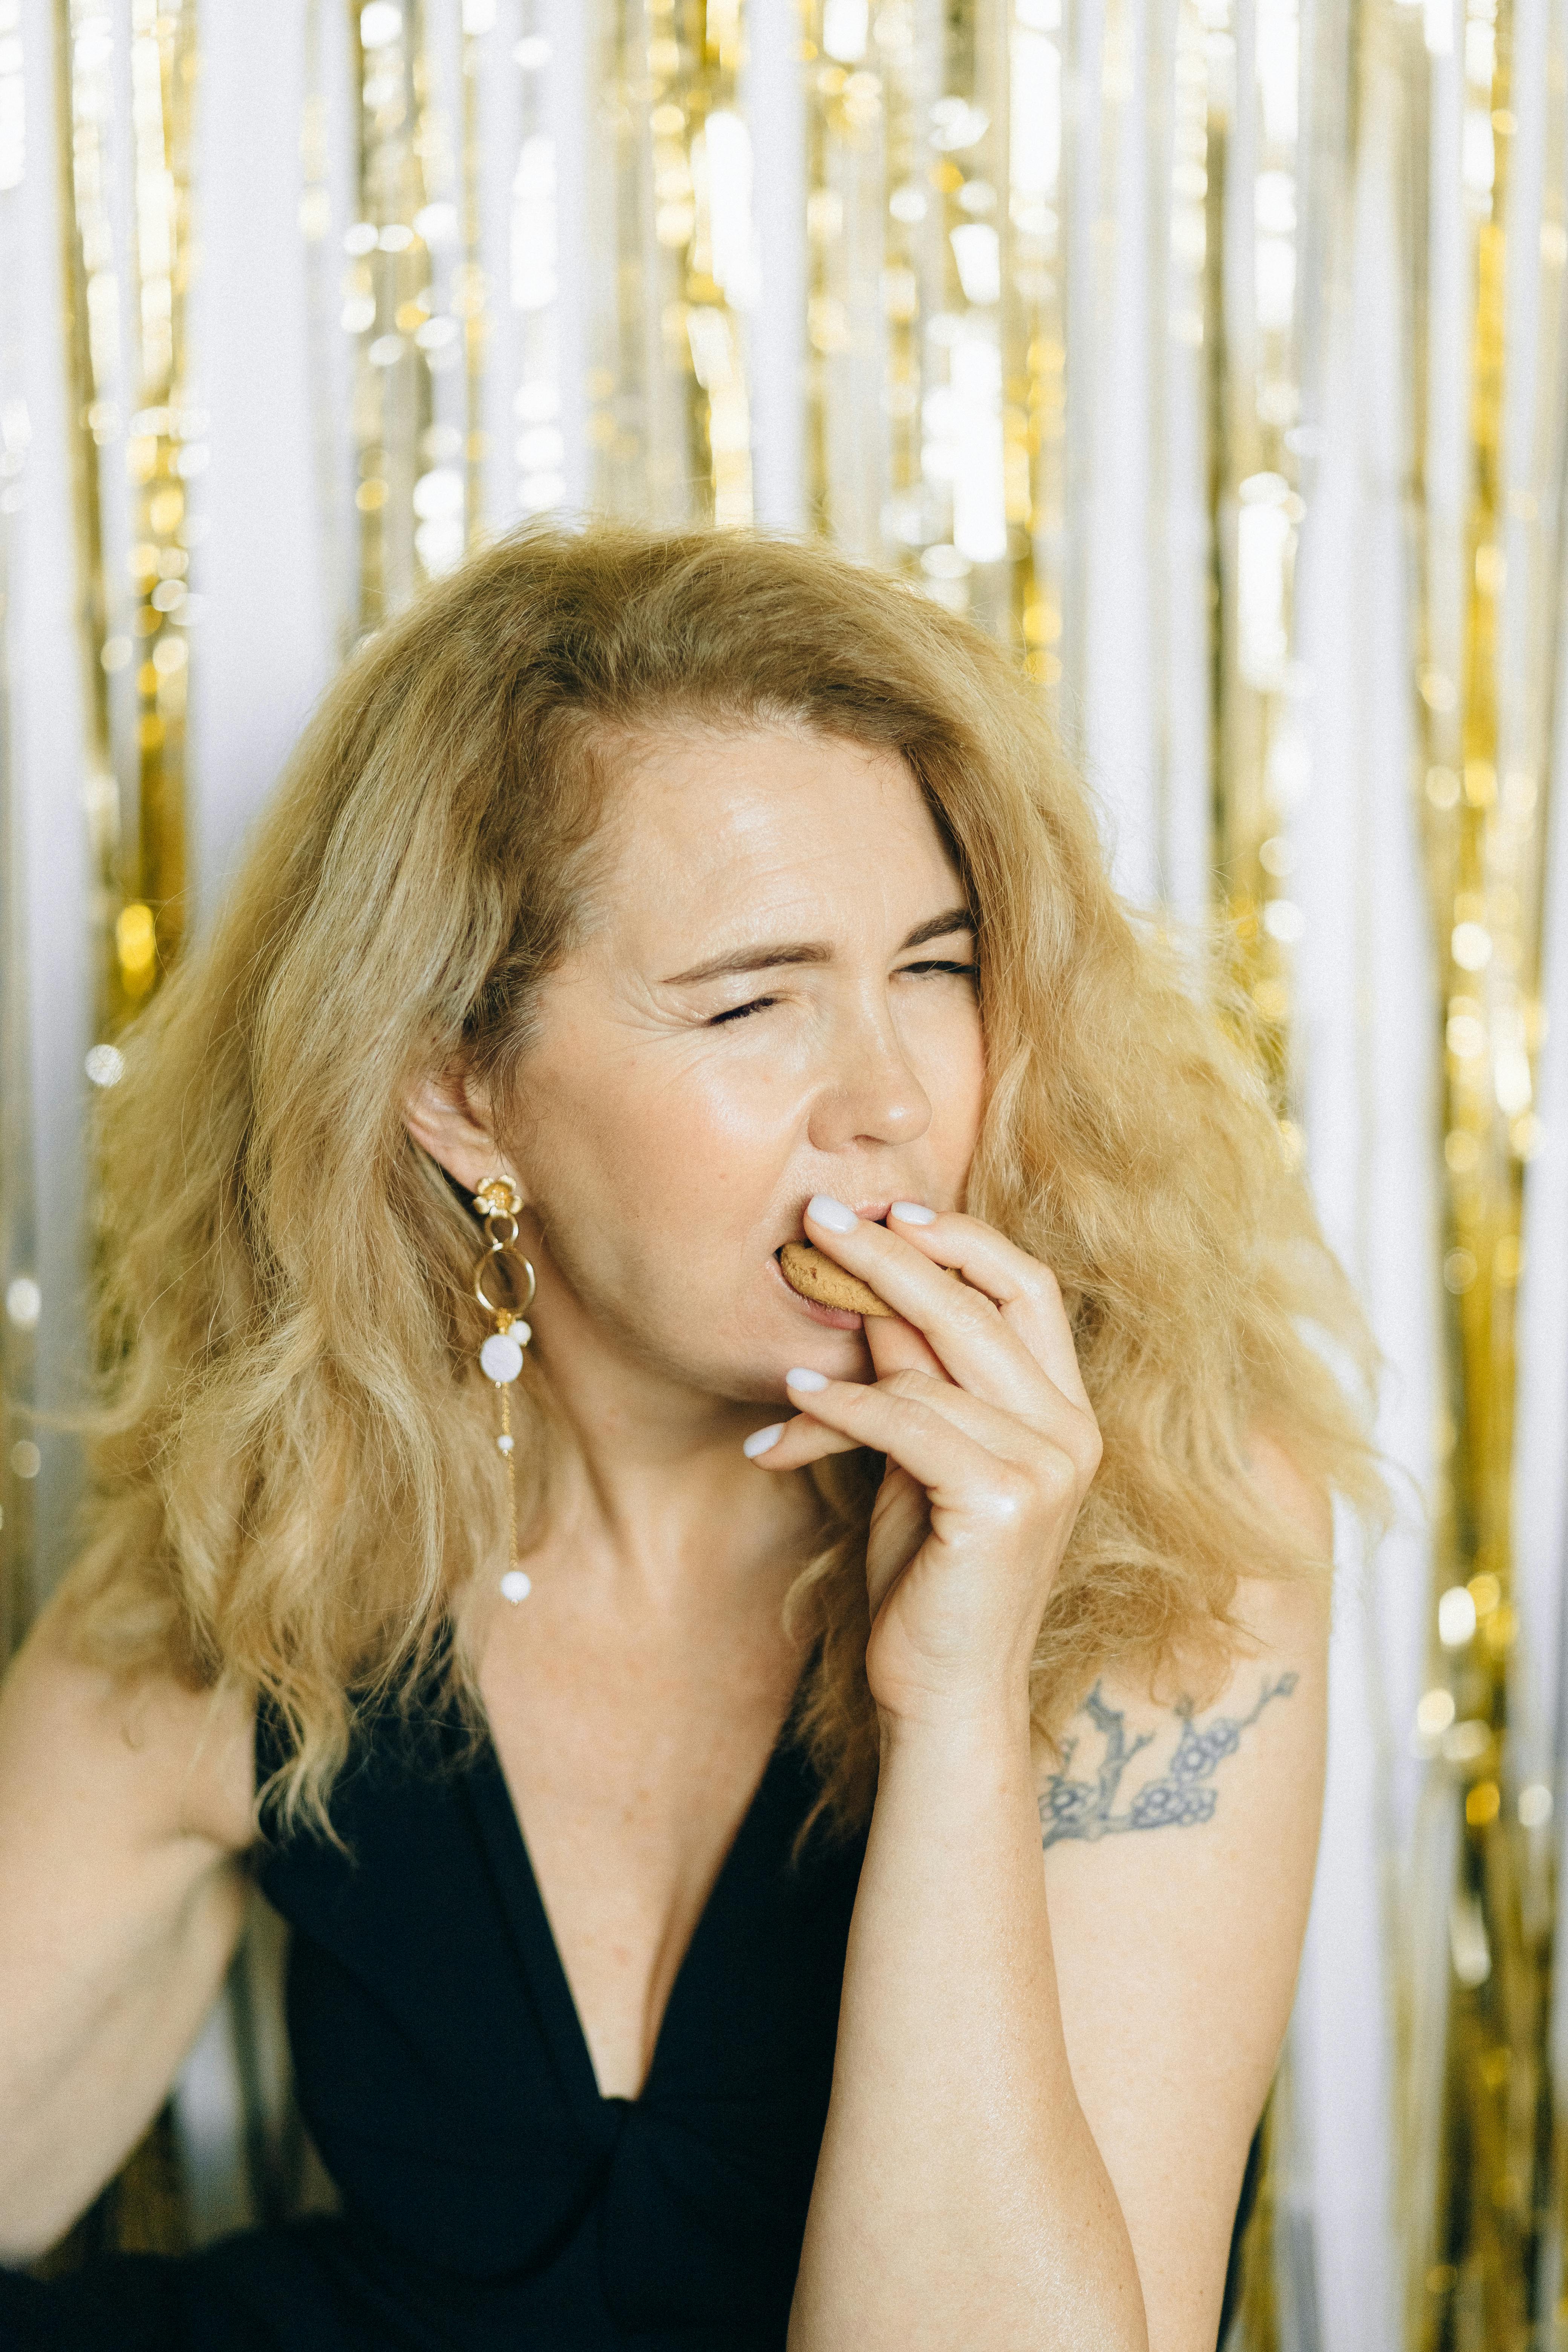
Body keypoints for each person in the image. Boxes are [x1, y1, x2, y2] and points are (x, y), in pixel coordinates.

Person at [0, 525, 1377, 2351]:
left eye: (935, 967)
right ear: (457, 1091)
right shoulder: (290, 1530)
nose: (890, 1102)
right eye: (750, 1000)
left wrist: (954, 1704)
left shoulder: (1178, 1518)